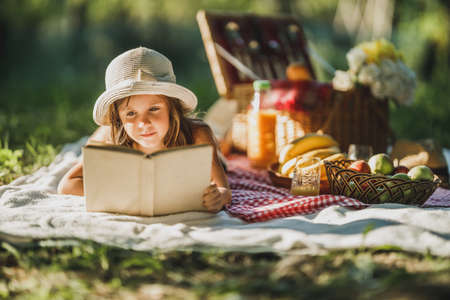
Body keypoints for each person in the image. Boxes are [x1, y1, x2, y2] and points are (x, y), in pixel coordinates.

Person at [58, 47, 231, 212]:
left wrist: (218, 198)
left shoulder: (197, 134)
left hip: (210, 151)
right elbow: (67, 184)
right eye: (131, 113)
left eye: (154, 109)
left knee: (225, 145)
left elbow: (224, 191)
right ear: (118, 118)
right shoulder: (108, 139)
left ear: (173, 108)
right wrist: (122, 193)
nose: (144, 123)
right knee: (97, 140)